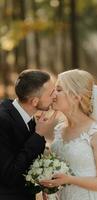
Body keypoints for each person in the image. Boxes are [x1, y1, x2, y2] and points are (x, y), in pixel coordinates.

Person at [40, 69, 97, 200]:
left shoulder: (96, 134)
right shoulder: (58, 130)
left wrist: (70, 179)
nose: (53, 94)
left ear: (75, 97)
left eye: (59, 89)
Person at [0, 69, 57, 200]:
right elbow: (10, 174)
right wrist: (38, 135)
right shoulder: (2, 121)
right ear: (35, 102)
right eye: (50, 93)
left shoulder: (28, 116)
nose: (54, 96)